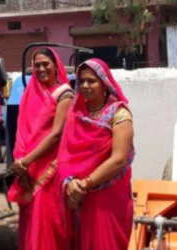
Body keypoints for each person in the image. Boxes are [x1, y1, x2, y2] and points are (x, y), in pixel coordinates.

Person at [54, 58, 135, 250]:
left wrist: (85, 183)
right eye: (81, 81)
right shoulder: (75, 114)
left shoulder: (119, 114)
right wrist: (69, 182)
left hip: (108, 196)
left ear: (104, 83)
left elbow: (118, 160)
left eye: (91, 81)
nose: (85, 85)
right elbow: (65, 154)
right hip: (78, 196)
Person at [7, 47, 73, 250]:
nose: (42, 68)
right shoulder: (30, 93)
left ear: (55, 66)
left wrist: (25, 161)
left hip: (50, 167)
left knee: (49, 221)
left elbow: (55, 135)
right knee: (30, 219)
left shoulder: (65, 94)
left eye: (46, 64)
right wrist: (18, 161)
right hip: (27, 167)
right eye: (37, 65)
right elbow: (22, 129)